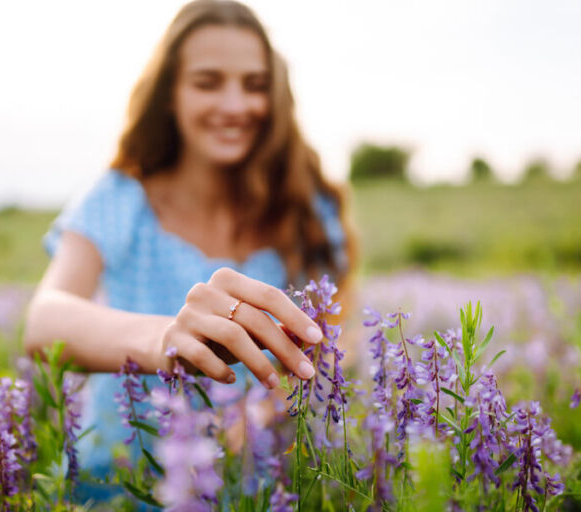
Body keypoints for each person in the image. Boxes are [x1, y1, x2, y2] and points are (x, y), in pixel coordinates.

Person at [23, 0, 357, 502]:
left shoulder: (304, 209)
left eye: (254, 85)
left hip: (257, 493)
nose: (235, 105)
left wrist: (270, 409)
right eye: (207, 82)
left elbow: (339, 336)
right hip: (117, 487)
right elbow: (44, 321)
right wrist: (166, 340)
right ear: (169, 95)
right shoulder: (119, 199)